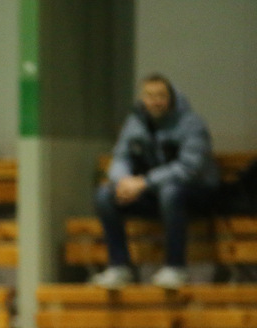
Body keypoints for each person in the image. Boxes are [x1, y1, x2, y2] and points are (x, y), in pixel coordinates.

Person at [91, 73, 219, 290]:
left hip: (196, 194)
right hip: (154, 193)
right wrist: (123, 182)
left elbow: (189, 168)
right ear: (142, 98)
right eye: (150, 96)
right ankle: (119, 267)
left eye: (161, 96)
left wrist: (144, 182)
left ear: (171, 98)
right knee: (105, 195)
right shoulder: (135, 123)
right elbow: (121, 157)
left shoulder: (191, 123)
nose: (155, 101)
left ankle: (175, 268)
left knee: (170, 192)